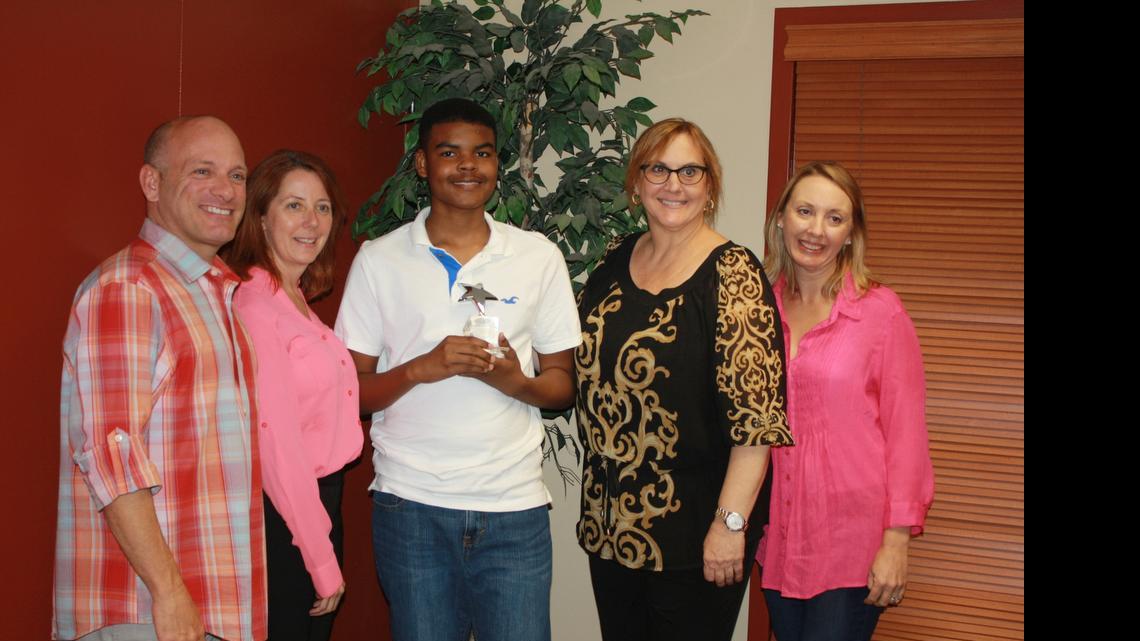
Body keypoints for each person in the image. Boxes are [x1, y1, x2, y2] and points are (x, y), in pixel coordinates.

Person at [334, 97, 581, 641]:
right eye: (450, 153)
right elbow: (347, 395)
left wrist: (514, 381)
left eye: (483, 153)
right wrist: (423, 368)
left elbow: (562, 385)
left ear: (497, 165)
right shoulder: (380, 259)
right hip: (411, 506)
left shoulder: (538, 257)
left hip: (514, 508)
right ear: (423, 164)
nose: (468, 166)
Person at [574, 117, 793, 641]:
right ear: (636, 182)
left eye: (690, 171)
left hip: (696, 534)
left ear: (710, 185)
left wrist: (730, 525)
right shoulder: (612, 260)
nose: (673, 185)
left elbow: (757, 425)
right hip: (610, 528)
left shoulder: (734, 274)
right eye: (658, 169)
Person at [54, 115, 266, 641]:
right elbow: (111, 454)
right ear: (152, 183)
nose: (226, 190)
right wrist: (170, 594)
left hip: (206, 607)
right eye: (203, 171)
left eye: (238, 176)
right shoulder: (127, 289)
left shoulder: (213, 293)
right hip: (146, 610)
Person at [755, 161, 935, 641]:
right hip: (779, 534)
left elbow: (906, 435)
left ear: (851, 233)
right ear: (781, 219)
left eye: (835, 218)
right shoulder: (756, 310)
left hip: (851, 542)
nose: (816, 230)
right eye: (805, 212)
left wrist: (897, 540)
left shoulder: (880, 313)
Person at [224, 150, 363, 641]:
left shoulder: (294, 299)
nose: (312, 221)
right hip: (285, 517)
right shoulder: (257, 307)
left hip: (318, 506)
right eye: (294, 206)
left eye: (322, 207)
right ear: (260, 218)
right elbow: (277, 448)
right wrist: (320, 558)